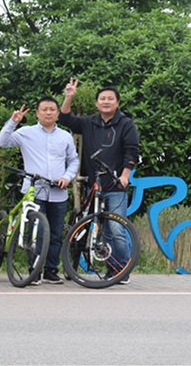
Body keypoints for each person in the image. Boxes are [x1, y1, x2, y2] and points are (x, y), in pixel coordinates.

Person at [59, 78, 140, 283]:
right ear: (97, 103)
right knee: (100, 231)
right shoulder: (89, 123)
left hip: (115, 186)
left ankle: (121, 269)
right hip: (92, 186)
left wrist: (124, 176)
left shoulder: (126, 124)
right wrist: (69, 97)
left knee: (116, 229)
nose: (106, 101)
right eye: (102, 98)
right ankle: (110, 267)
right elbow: (65, 119)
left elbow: (132, 151)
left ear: (117, 103)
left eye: (110, 98)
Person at [0, 98, 79, 285]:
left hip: (59, 192)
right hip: (34, 191)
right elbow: (2, 142)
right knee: (37, 231)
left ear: (58, 113)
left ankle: (51, 270)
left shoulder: (65, 136)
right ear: (37, 113)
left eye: (52, 109)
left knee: (56, 233)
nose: (48, 113)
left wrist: (67, 177)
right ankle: (34, 270)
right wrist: (13, 122)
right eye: (44, 109)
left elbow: (73, 160)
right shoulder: (26, 132)